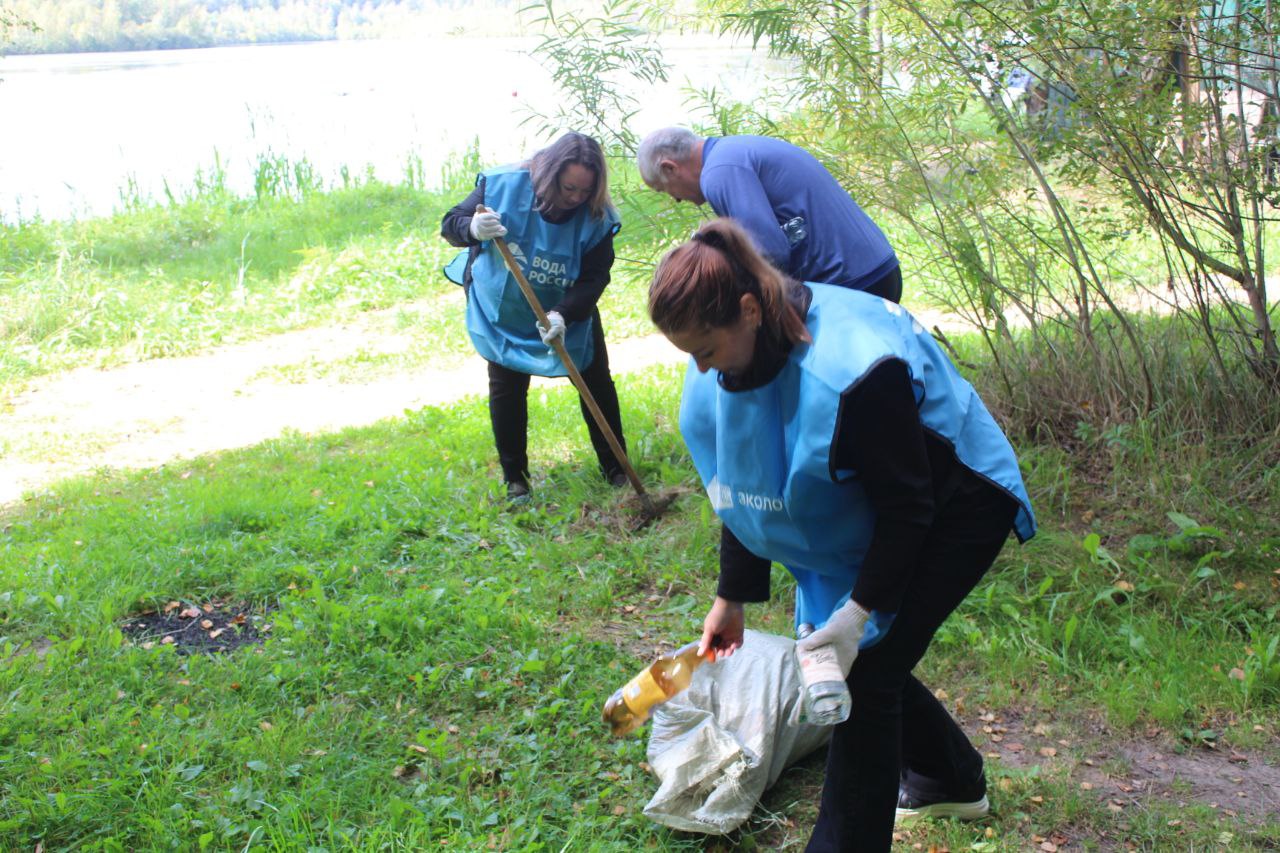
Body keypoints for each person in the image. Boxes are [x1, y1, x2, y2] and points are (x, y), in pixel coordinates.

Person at [647, 218, 1036, 852]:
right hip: (870, 506)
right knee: (857, 656)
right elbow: (743, 481)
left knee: (865, 670)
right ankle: (950, 780)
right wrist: (732, 596)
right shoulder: (726, 366)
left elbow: (910, 509)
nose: (700, 368)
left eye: (706, 349)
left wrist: (856, 615)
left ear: (749, 310)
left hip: (955, 500)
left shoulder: (855, 371)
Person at [441, 132, 629, 501]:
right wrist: (473, 229)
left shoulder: (597, 216)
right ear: (550, 173)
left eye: (584, 191)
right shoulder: (504, 186)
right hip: (504, 306)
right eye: (568, 187)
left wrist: (564, 314)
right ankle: (516, 481)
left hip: (566, 306)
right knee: (507, 387)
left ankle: (617, 469)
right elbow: (451, 223)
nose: (575, 198)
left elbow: (595, 276)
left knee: (595, 382)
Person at [637, 128, 902, 303]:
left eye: (664, 189)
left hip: (853, 285)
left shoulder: (718, 172)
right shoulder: (734, 150)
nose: (677, 199)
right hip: (877, 269)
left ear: (670, 168)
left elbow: (768, 254)